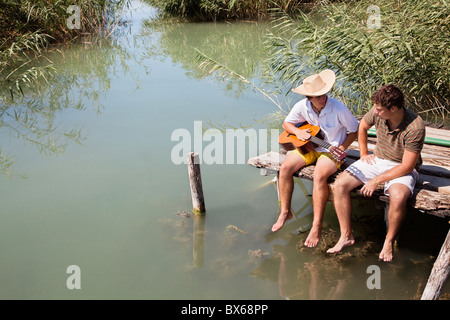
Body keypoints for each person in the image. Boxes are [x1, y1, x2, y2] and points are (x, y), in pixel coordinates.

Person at [327, 84, 425, 262]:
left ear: (393, 108)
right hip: (378, 159)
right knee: (340, 184)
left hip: (401, 166)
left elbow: (408, 166)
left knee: (397, 196)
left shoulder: (415, 126)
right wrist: (364, 154)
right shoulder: (377, 110)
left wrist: (376, 181)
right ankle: (346, 235)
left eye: (379, 110)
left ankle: (388, 241)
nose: (376, 112)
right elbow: (362, 127)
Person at [272, 69, 359, 249]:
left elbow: (355, 131)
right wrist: (297, 131)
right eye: (317, 96)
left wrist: (342, 148)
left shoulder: (339, 108)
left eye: (324, 94)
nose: (322, 98)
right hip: (310, 147)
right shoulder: (302, 106)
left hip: (331, 151)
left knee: (319, 175)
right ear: (308, 98)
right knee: (285, 167)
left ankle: (316, 225)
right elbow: (286, 124)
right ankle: (285, 212)